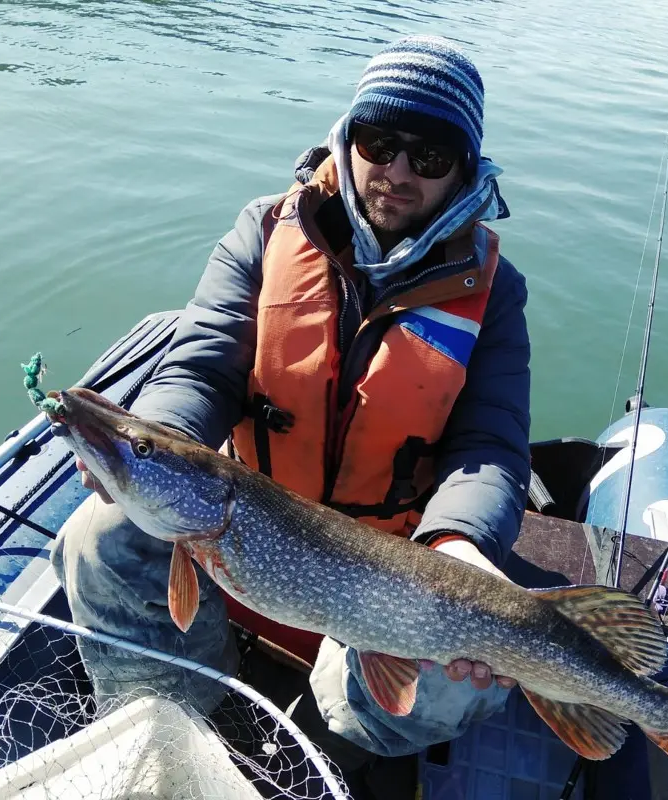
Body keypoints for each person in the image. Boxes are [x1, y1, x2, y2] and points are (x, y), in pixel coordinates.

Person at [51, 33, 531, 793]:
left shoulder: (494, 291)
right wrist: (163, 442)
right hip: (245, 520)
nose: (398, 172)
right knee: (101, 536)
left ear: (464, 169)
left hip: (393, 559)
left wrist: (463, 544)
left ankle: (328, 748)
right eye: (381, 141)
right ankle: (178, 729)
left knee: (451, 680)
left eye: (430, 156)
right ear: (349, 137)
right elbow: (204, 360)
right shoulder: (266, 228)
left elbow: (492, 444)